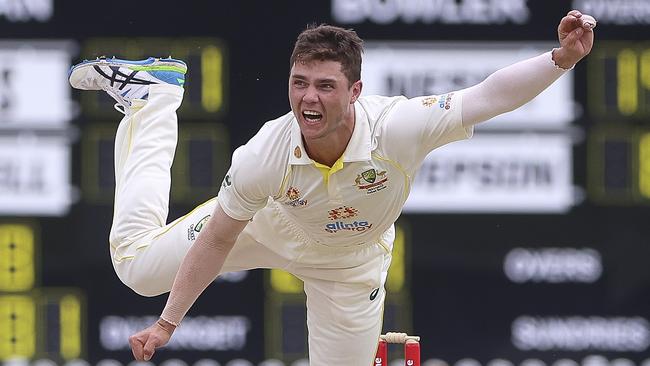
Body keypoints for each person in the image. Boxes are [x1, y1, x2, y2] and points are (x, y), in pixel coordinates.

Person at [69, 9, 595, 365]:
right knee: (136, 269)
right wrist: (166, 325)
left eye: (325, 86)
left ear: (355, 91)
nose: (308, 100)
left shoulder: (398, 127)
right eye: (299, 83)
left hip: (351, 265)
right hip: (267, 226)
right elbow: (218, 239)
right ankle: (154, 98)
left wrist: (562, 59)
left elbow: (488, 96)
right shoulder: (265, 151)